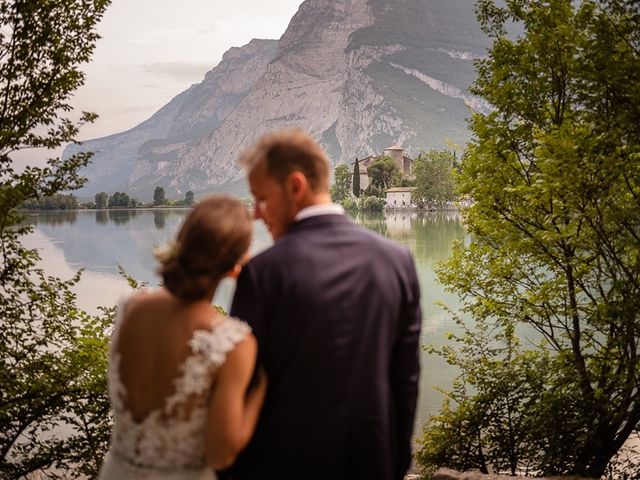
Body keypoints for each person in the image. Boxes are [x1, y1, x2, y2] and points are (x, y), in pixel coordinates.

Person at [227, 129, 422, 480]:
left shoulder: (263, 273)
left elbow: (244, 388)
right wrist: (394, 463)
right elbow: (405, 379)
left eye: (261, 198)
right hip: (374, 462)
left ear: (295, 186)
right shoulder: (397, 261)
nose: (255, 214)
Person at [98, 195, 267, 480]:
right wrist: (261, 390)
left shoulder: (131, 308)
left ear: (182, 243)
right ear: (236, 267)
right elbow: (220, 454)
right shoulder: (231, 342)